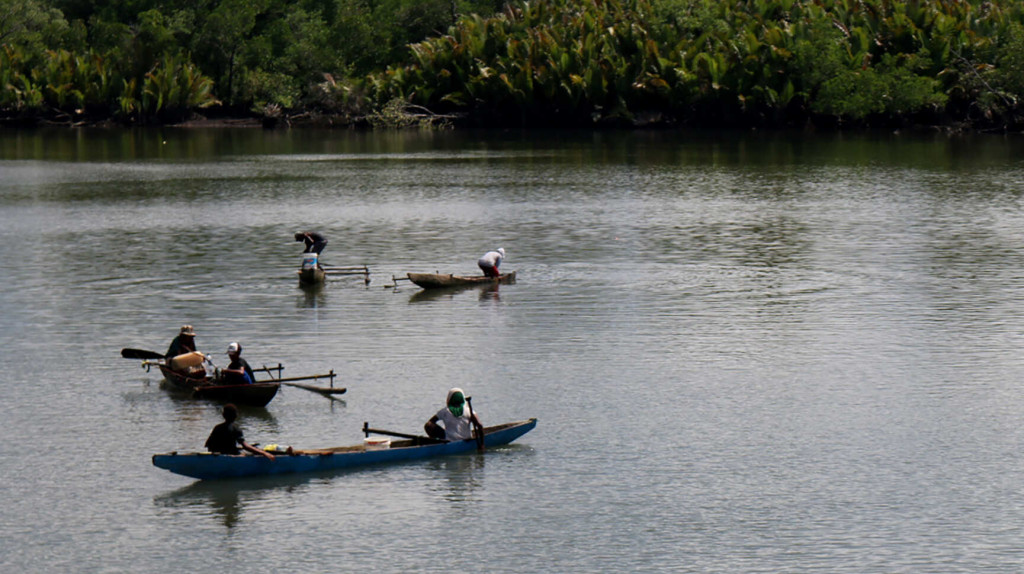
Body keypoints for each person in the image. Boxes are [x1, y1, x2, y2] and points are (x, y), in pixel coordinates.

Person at [205, 403, 275, 460]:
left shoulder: (217, 427)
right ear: (236, 416)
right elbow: (245, 446)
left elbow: (208, 445)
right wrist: (264, 453)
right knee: (248, 453)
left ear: (223, 415)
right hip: (231, 456)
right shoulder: (236, 428)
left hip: (217, 455)